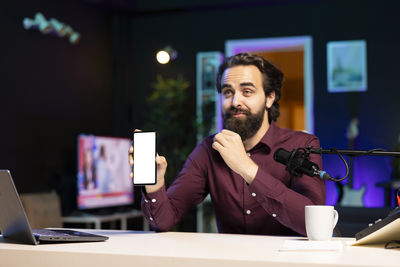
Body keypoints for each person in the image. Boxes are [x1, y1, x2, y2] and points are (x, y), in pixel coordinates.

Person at [134, 53, 326, 236]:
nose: (235, 101)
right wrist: (154, 184)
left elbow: (316, 225)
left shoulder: (303, 145)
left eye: (247, 91)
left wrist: (248, 169)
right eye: (227, 92)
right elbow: (163, 220)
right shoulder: (209, 150)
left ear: (269, 98)